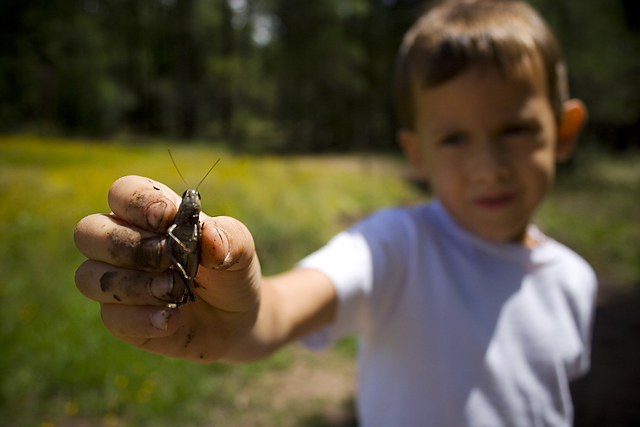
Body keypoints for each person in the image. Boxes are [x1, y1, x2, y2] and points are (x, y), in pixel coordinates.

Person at [74, 0, 597, 425]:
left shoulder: (577, 281)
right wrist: (240, 316)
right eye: (455, 137)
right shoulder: (394, 244)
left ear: (565, 132)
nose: (489, 166)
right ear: (416, 152)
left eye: (516, 130)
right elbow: (281, 306)